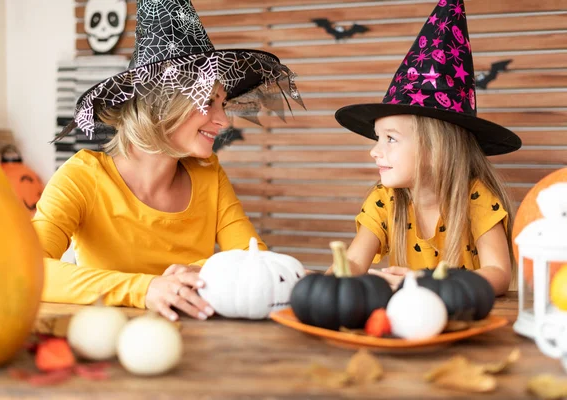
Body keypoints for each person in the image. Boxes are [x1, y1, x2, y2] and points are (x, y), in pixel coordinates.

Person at [34, 0, 303, 321]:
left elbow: (255, 261)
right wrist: (147, 289)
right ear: (160, 105)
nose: (224, 121)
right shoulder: (82, 177)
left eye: (223, 103)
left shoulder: (209, 175)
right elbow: (30, 268)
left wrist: (198, 272)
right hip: (108, 342)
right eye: (208, 101)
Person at [328, 0, 521, 296]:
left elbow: (498, 273)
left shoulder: (476, 198)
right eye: (377, 138)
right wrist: (326, 286)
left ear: (437, 149)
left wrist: (429, 284)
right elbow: (353, 260)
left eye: (390, 138)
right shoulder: (385, 200)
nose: (375, 151)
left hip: (463, 319)